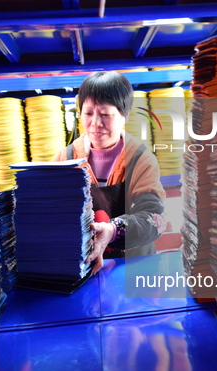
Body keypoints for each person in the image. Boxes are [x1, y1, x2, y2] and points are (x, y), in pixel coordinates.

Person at [54, 71, 166, 274]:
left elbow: (154, 217)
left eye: (105, 114)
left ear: (124, 115)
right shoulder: (66, 158)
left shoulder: (140, 159)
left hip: (135, 266)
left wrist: (113, 230)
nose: (95, 123)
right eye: (88, 113)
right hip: (84, 267)